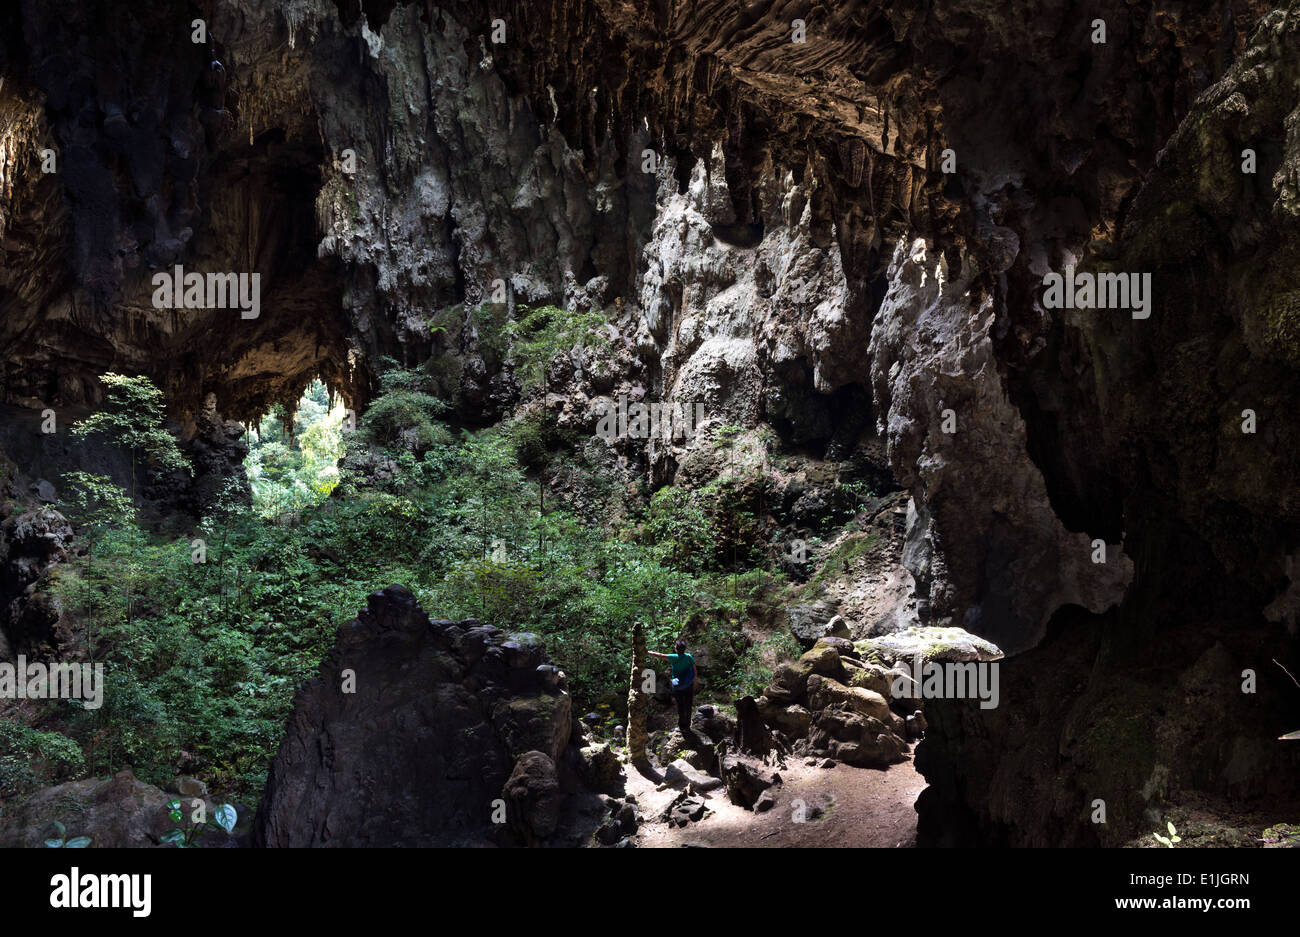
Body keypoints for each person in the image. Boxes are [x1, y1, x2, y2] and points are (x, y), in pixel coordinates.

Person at [649, 639, 696, 733]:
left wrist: (648, 652)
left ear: (676, 649)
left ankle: (681, 727)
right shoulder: (689, 657)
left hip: (678, 686)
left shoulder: (673, 657)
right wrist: (695, 681)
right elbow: (694, 670)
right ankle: (687, 726)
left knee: (680, 706)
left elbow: (660, 656)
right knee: (688, 705)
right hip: (688, 685)